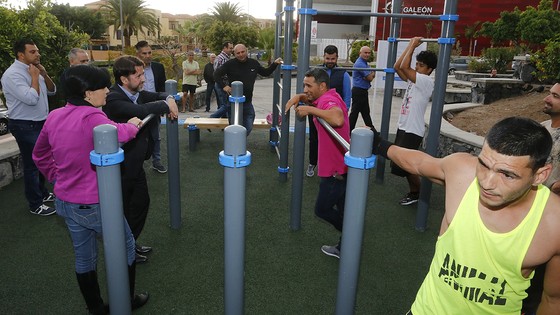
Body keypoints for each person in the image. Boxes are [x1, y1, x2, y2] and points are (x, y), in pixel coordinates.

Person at [372, 116, 560, 314]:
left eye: (507, 175)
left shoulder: (554, 223)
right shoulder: (463, 172)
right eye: (484, 165)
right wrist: (380, 145)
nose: (487, 183)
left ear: (540, 175)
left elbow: (553, 300)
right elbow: (420, 163)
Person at [32, 65, 148, 314]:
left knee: (84, 256)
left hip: (66, 201)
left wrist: (56, 177)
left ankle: (95, 307)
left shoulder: (55, 115)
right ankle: (124, 301)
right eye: (102, 87)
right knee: (126, 246)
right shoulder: (92, 116)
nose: (107, 90)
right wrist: (133, 124)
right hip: (96, 203)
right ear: (87, 94)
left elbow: (39, 155)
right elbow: (118, 133)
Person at [103, 55, 179, 264]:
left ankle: (129, 243)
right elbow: (140, 111)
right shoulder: (114, 98)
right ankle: (124, 250)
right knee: (124, 208)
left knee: (140, 203)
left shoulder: (136, 92)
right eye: (138, 75)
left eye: (142, 73)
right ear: (124, 79)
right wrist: (165, 104)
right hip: (119, 166)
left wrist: (169, 99)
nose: (143, 79)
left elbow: (158, 94)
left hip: (134, 163)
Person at [285, 68, 350, 259]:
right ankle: (347, 244)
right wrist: (301, 97)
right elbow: (315, 101)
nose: (305, 89)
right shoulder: (326, 97)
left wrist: (310, 109)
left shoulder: (329, 101)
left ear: (322, 86)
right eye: (304, 85)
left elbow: (337, 118)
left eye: (308, 85)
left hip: (336, 170)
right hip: (342, 166)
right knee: (344, 208)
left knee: (322, 209)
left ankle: (351, 236)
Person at [1, 38, 56, 216]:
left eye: (37, 51)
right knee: (32, 165)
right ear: (21, 55)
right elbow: (31, 99)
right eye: (33, 52)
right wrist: (34, 78)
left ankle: (43, 193)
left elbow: (52, 90)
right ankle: (35, 204)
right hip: (25, 125)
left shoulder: (35, 69)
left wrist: (44, 74)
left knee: (41, 161)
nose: (38, 54)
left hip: (41, 122)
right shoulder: (12, 75)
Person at [521, 83, 560, 315]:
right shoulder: (542, 129)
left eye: (555, 96)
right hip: (527, 215)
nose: (547, 98)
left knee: (541, 289)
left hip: (549, 223)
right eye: (550, 93)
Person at [392, 37, 437, 206]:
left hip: (413, 129)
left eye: (421, 65)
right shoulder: (415, 79)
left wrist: (412, 45)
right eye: (417, 64)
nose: (417, 67)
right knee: (402, 164)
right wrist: (410, 46)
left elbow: (404, 67)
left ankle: (418, 192)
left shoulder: (425, 81)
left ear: (430, 69)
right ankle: (416, 191)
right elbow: (397, 66)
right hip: (404, 127)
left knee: (406, 165)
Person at [214, 43, 282, 135]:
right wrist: (224, 86)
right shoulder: (230, 64)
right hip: (234, 104)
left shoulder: (253, 63)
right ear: (234, 54)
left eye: (243, 52)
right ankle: (236, 145)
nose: (241, 54)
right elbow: (216, 74)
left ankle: (240, 141)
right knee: (234, 128)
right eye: (238, 53)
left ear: (246, 51)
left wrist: (275, 63)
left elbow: (265, 73)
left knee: (248, 126)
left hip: (247, 102)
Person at [306, 45, 352, 177]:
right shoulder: (317, 71)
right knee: (314, 138)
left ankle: (337, 167)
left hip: (332, 113)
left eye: (332, 58)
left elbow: (347, 96)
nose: (330, 61)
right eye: (327, 58)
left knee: (334, 140)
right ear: (324, 57)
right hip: (316, 110)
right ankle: (313, 162)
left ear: (337, 57)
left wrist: (345, 112)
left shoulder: (343, 74)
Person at [135, 40, 168, 174]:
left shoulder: (158, 67)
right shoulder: (131, 68)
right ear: (138, 54)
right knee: (136, 137)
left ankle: (157, 161)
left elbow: (162, 87)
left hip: (154, 106)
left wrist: (161, 105)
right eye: (144, 53)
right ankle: (137, 163)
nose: (148, 55)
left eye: (150, 52)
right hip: (137, 107)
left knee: (156, 136)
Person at [349, 46, 376, 131]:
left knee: (364, 113)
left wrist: (370, 74)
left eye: (369, 53)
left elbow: (370, 76)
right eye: (365, 53)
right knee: (355, 113)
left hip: (362, 91)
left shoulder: (364, 63)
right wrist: (370, 74)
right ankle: (348, 132)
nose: (367, 54)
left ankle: (373, 132)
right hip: (359, 91)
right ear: (360, 53)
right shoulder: (360, 63)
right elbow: (370, 78)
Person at [210, 41, 234, 119]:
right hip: (222, 85)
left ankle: (224, 123)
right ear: (224, 48)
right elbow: (219, 74)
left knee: (223, 104)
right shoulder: (223, 59)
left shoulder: (222, 57)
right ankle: (212, 118)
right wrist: (224, 85)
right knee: (226, 105)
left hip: (222, 84)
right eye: (230, 48)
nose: (232, 49)